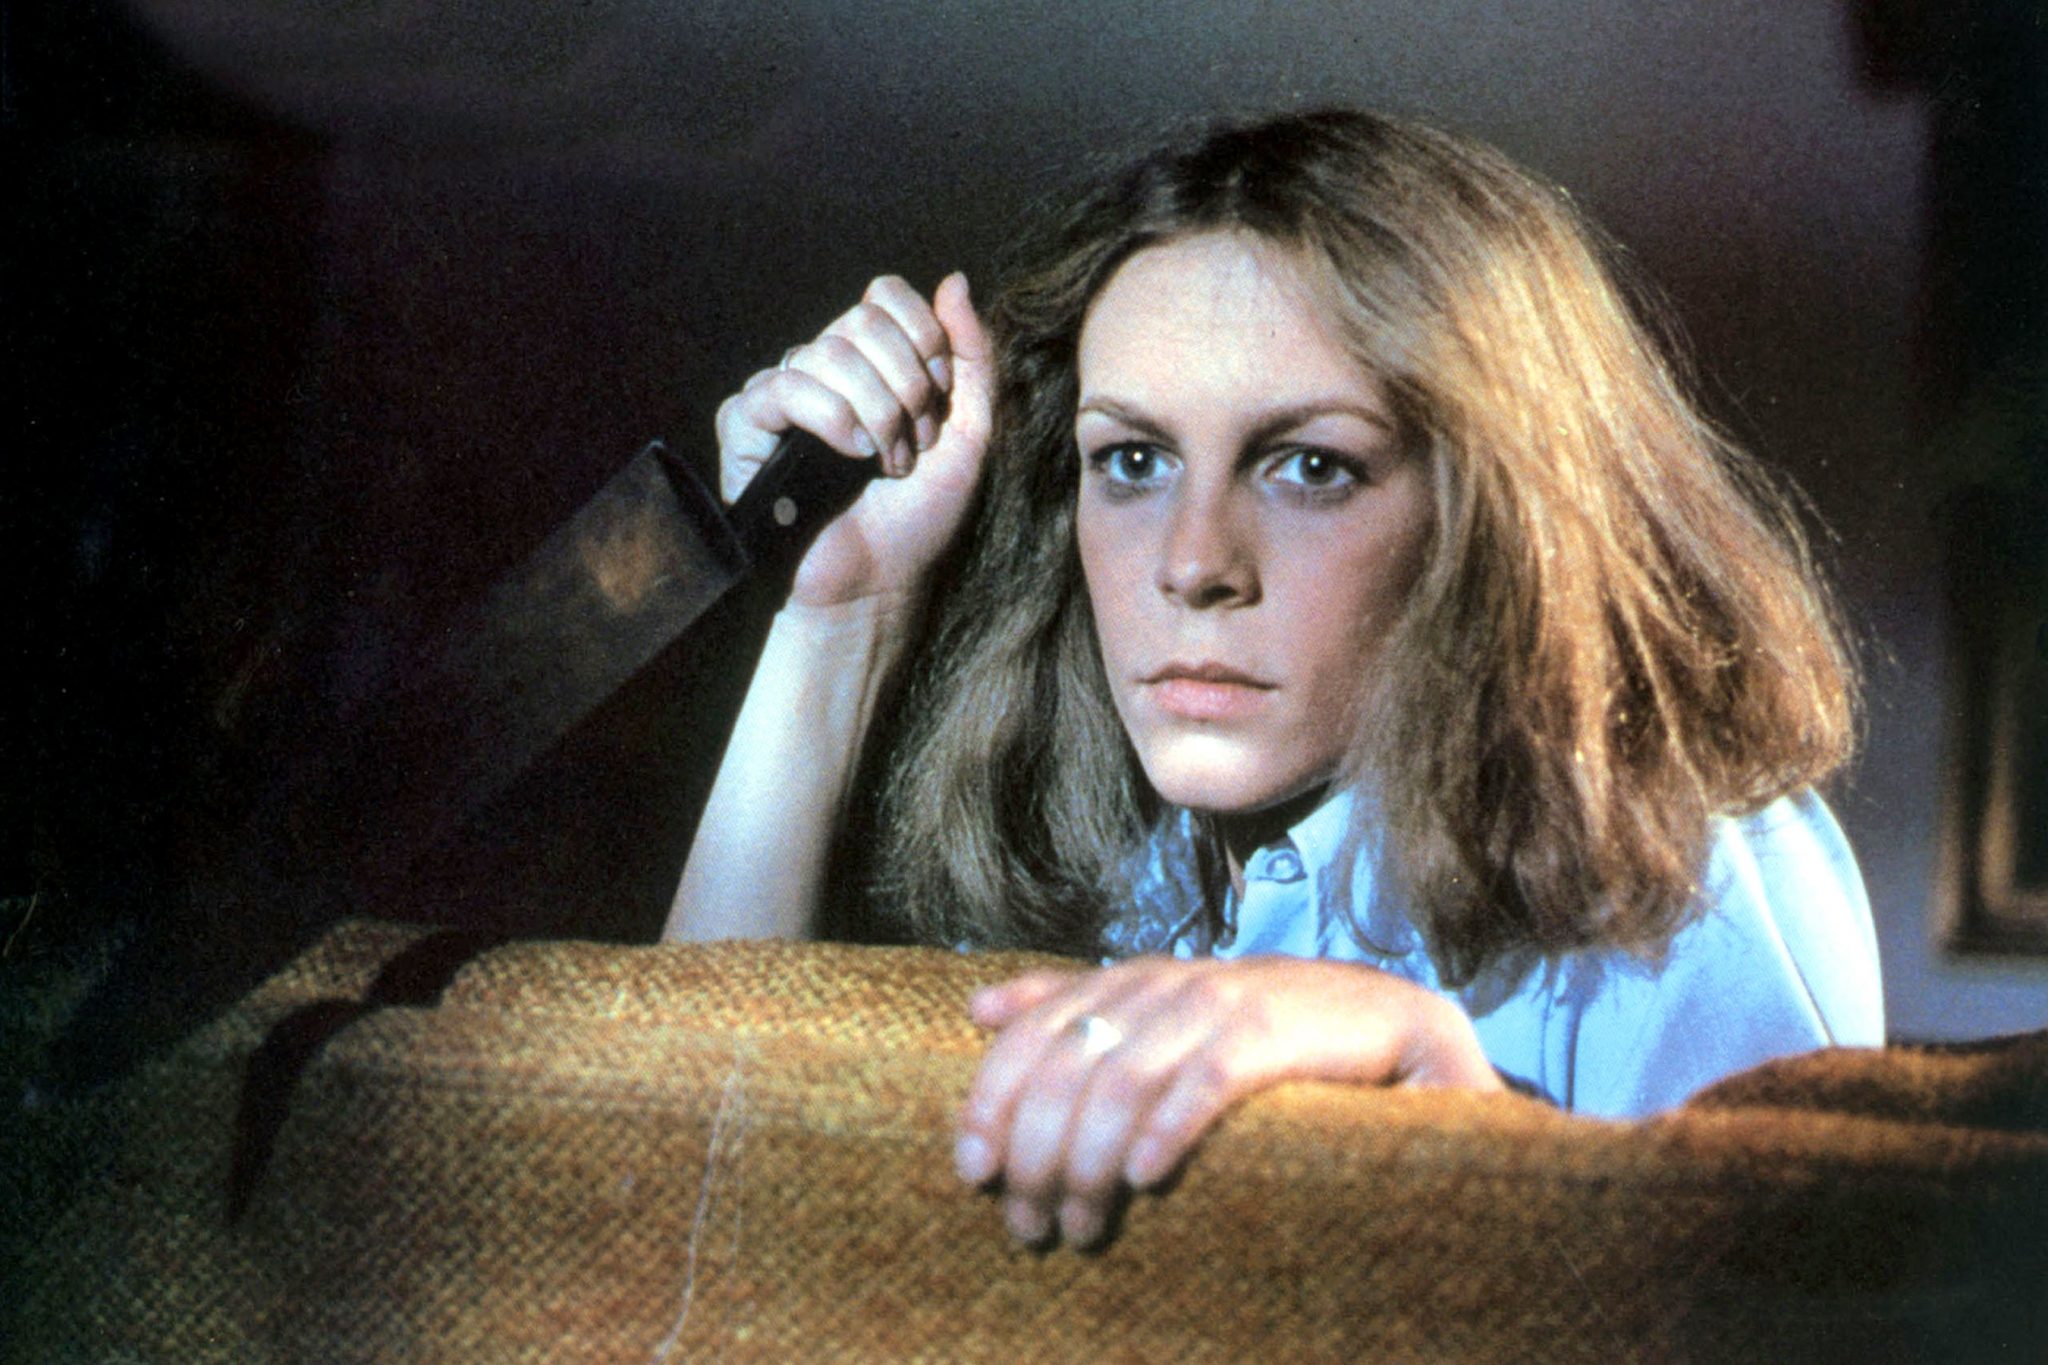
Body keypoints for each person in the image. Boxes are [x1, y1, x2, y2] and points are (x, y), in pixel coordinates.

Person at [665, 108, 1884, 1250]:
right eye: (1131, 460)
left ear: (1492, 514)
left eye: (1308, 467)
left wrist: (1448, 1101)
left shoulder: (1682, 867)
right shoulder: (1141, 856)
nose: (1192, 563)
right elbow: (665, 1188)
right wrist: (838, 616)